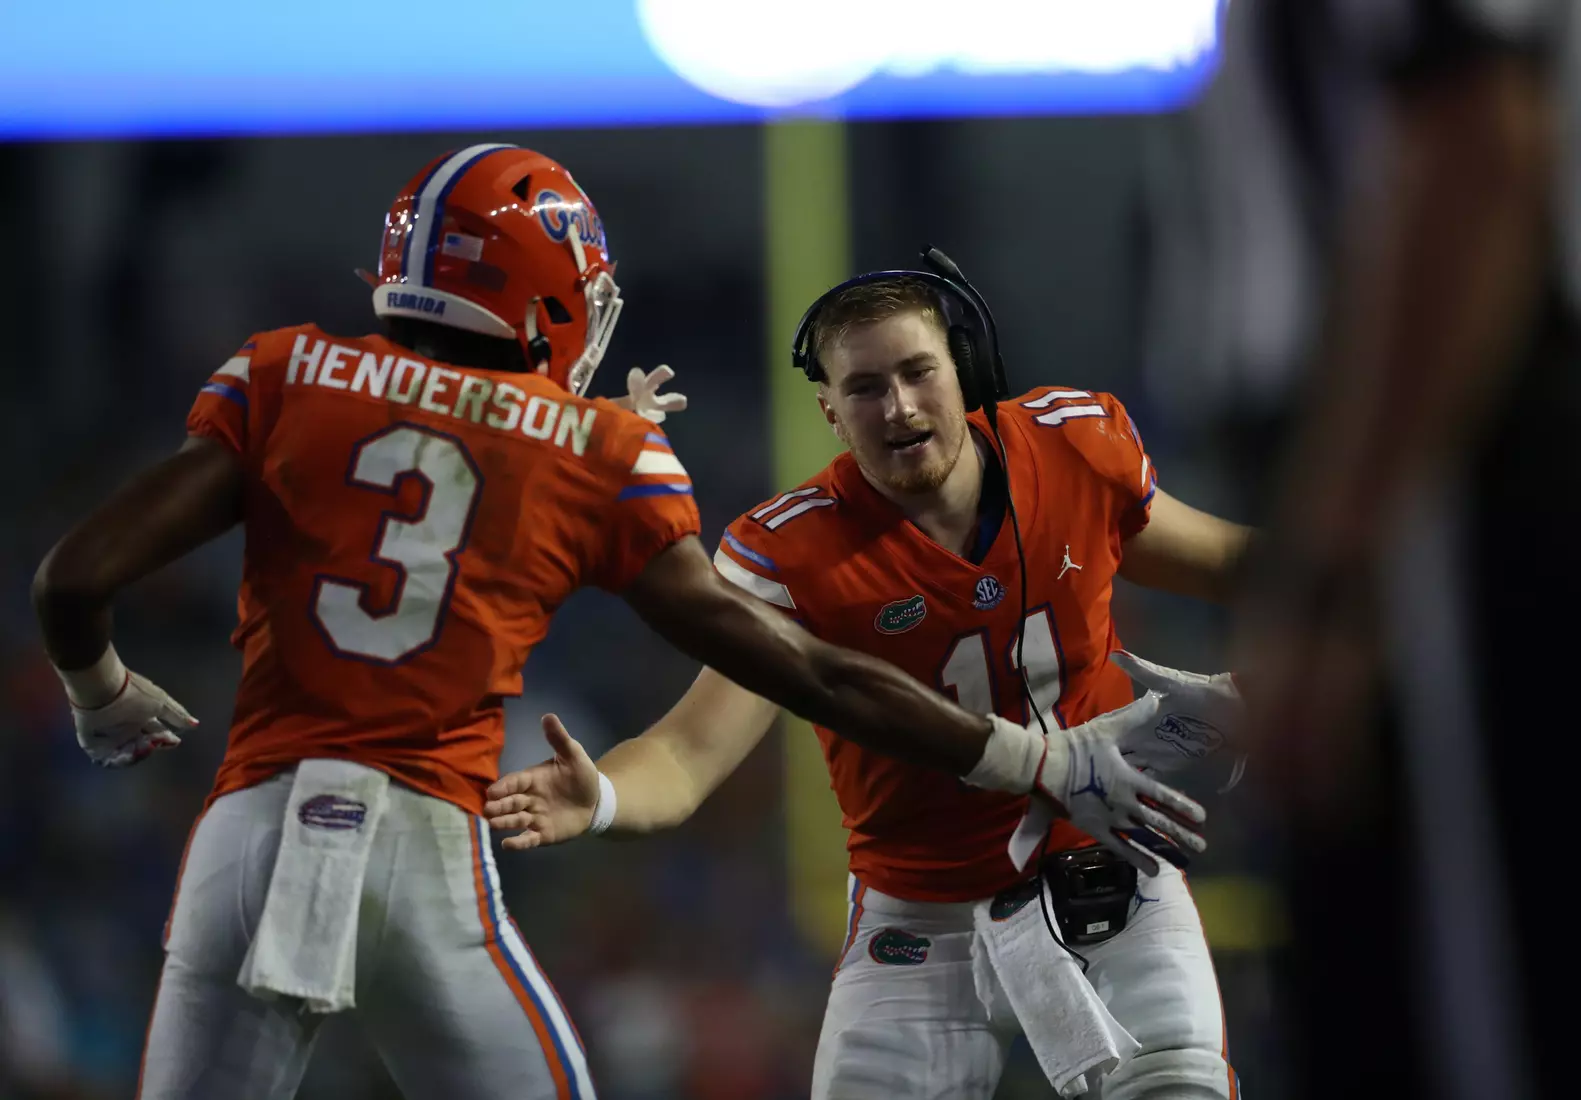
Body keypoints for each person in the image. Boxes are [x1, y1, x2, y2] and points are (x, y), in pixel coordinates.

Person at [29, 147, 1209, 1100]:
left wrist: (99, 691)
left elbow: (72, 577)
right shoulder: (599, 449)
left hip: (248, 828)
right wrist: (1030, 755)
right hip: (422, 837)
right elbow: (805, 675)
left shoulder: (284, 370)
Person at [487, 260, 1253, 1099]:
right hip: (919, 916)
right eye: (863, 388)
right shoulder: (791, 551)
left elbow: (1231, 564)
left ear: (962, 368)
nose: (898, 407)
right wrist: (600, 795)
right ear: (829, 409)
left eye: (917, 371)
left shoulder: (1074, 447)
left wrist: (1349, 600)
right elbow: (687, 752)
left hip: (1106, 868)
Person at [1177, 1, 1574, 1097]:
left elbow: (1478, 137)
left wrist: (1332, 569)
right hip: (1394, 474)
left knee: (1480, 1020)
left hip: (1445, 480)